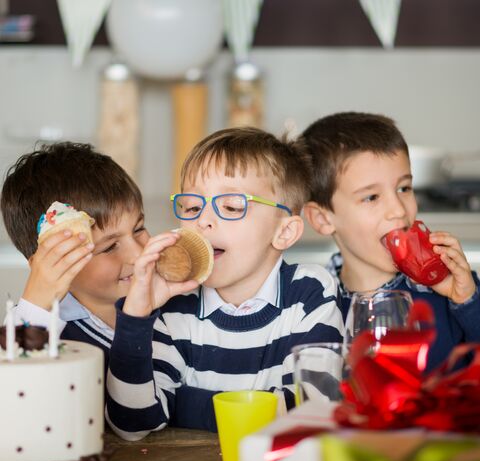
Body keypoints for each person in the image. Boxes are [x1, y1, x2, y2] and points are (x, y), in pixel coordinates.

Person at [105, 127, 344, 439]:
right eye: (192, 207)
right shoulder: (176, 306)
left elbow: (313, 408)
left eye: (231, 206)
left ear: (284, 232)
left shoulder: (311, 292)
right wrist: (136, 315)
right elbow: (132, 424)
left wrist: (182, 406)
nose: (203, 220)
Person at [300, 111, 480, 371]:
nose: (398, 209)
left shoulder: (453, 288)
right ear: (321, 218)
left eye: (404, 188)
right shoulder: (314, 304)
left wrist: (467, 301)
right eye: (371, 197)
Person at [1, 142, 194, 370]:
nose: (138, 253)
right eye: (109, 247)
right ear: (51, 264)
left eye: (139, 229)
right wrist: (37, 303)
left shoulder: (175, 306)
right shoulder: (40, 325)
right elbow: (13, 385)